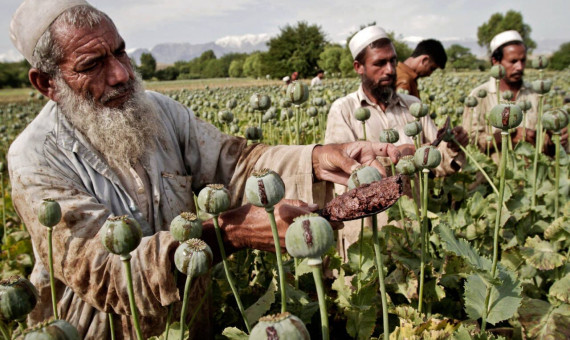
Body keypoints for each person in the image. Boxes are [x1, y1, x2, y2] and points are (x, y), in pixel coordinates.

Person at [8, 1, 402, 338]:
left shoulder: (158, 111)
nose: (122, 74)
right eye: (93, 64)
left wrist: (317, 158)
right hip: (103, 330)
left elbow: (235, 163)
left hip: (193, 320)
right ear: (47, 82)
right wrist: (231, 233)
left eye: (121, 52)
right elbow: (106, 273)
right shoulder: (35, 158)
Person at [324, 26, 468, 260]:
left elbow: (435, 162)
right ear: (358, 67)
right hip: (367, 237)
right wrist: (396, 156)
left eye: (393, 61)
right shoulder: (344, 110)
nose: (390, 70)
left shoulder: (413, 106)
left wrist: (452, 147)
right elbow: (340, 172)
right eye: (380, 63)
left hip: (410, 230)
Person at [462, 30, 568, 153]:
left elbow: (546, 142)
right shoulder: (478, 96)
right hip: (493, 171)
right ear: (495, 62)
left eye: (522, 61)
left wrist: (554, 141)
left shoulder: (536, 94)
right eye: (513, 61)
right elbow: (470, 143)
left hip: (531, 169)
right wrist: (509, 134)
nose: (519, 67)